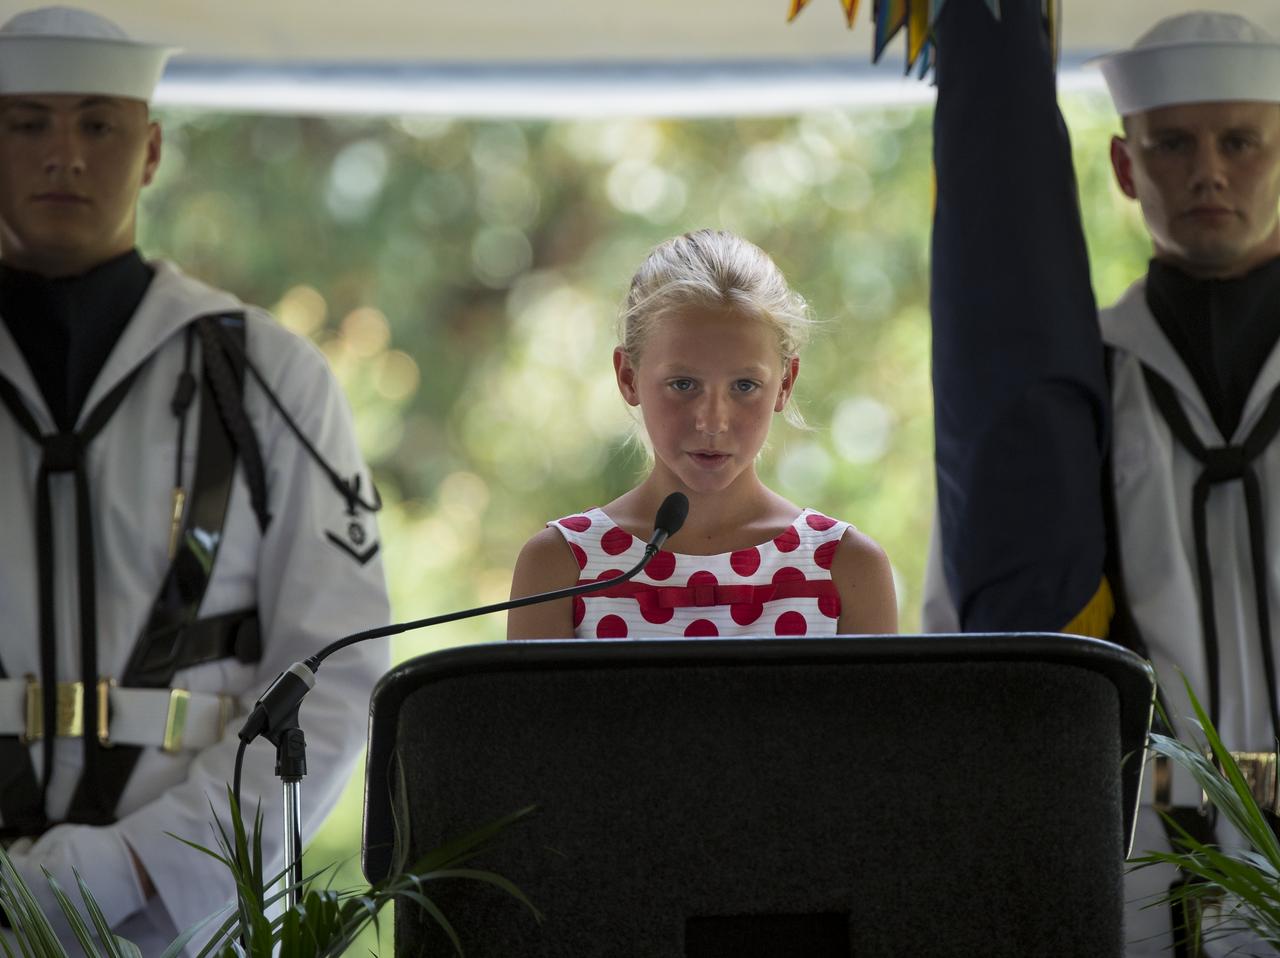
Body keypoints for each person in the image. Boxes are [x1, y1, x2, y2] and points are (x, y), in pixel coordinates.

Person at [0, 6, 389, 952]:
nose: (65, 155)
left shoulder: (269, 375)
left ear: (151, 150)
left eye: (98, 124)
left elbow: (334, 671)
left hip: (188, 921)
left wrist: (144, 867)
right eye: (28, 124)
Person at [923, 2, 1280, 954]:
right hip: (1135, 850)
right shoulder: (1066, 386)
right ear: (1125, 166)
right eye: (1171, 144)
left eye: (1242, 141)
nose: (1207, 171)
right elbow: (977, 617)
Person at [508, 229, 897, 641]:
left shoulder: (846, 568)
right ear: (628, 377)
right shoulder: (561, 566)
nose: (712, 422)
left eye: (744, 386)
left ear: (785, 384)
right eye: (683, 384)